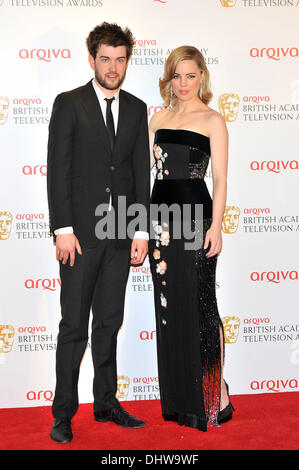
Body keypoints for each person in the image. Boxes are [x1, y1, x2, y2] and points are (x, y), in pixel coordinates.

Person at [47, 22, 150, 443]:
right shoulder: (69, 103)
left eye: (120, 59)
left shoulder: (138, 107)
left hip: (121, 233)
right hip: (79, 237)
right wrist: (63, 228)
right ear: (92, 60)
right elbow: (58, 170)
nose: (113, 67)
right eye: (105, 59)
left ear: (127, 61)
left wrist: (141, 229)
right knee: (74, 326)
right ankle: (63, 413)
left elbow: (139, 174)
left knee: (109, 322)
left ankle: (106, 402)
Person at [148, 45, 234, 432]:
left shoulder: (213, 120)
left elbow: (219, 179)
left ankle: (217, 395)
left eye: (191, 75)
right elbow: (139, 174)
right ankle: (182, 399)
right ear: (169, 79)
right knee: (170, 310)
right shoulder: (157, 120)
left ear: (202, 76)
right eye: (177, 76)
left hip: (198, 221)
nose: (184, 84)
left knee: (201, 304)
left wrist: (216, 226)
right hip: (159, 222)